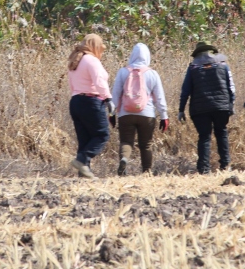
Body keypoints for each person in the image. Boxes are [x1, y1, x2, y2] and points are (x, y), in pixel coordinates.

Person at [111, 43, 169, 176]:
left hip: (125, 113)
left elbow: (115, 95)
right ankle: (146, 172)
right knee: (146, 144)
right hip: (147, 114)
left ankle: (124, 160)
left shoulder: (123, 72)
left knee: (126, 141)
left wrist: (112, 113)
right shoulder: (153, 74)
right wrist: (164, 116)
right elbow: (159, 98)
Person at [178, 41, 235, 174]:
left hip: (200, 108)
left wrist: (181, 109)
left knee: (204, 136)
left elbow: (185, 90)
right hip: (221, 106)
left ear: (197, 54)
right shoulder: (223, 65)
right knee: (222, 133)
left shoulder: (193, 68)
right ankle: (226, 166)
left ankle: (204, 169)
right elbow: (231, 87)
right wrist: (231, 104)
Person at [67, 34, 114, 178]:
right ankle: (81, 160)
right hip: (91, 101)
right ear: (95, 46)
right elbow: (99, 81)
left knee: (84, 139)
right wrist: (108, 99)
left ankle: (84, 172)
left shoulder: (76, 60)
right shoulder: (91, 60)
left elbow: (72, 84)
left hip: (75, 102)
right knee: (102, 135)